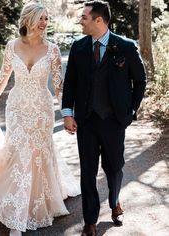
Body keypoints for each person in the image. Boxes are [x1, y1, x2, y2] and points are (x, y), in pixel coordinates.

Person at [0, 2, 80, 236]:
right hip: (16, 107)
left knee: (37, 151)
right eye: (41, 19)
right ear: (28, 20)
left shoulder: (53, 49)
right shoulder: (11, 46)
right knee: (18, 149)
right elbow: (3, 79)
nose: (45, 23)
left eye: (47, 19)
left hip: (41, 109)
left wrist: (67, 113)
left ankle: (31, 205)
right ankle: (17, 209)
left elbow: (58, 88)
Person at [62, 1, 146, 235]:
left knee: (115, 167)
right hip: (86, 121)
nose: (81, 20)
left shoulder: (126, 47)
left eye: (84, 17)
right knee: (88, 171)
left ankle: (115, 201)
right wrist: (67, 113)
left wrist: (130, 112)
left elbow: (140, 81)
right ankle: (90, 220)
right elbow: (70, 84)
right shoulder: (78, 47)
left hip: (114, 120)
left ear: (99, 20)